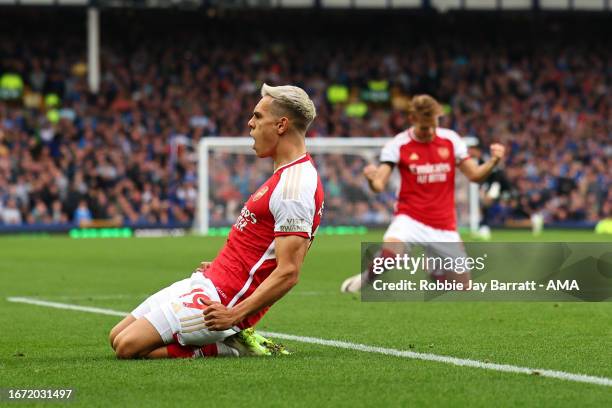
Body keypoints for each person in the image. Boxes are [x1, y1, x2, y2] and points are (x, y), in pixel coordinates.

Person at [109, 84, 324, 358]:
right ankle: (231, 336)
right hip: (213, 279)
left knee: (128, 348)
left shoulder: (295, 187)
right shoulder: (284, 176)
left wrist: (234, 315)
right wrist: (223, 263)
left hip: (225, 299)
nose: (250, 123)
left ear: (281, 125)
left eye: (258, 116)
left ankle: (227, 343)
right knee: (116, 336)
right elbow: (258, 244)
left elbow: (289, 271)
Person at [340, 95, 505, 292]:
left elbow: (475, 176)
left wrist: (494, 161)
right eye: (424, 127)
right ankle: (366, 278)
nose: (429, 132)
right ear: (412, 120)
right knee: (390, 256)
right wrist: (371, 178)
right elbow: (379, 185)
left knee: (462, 286)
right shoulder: (398, 145)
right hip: (410, 217)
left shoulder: (451, 140)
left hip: (444, 223)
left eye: (433, 125)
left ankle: (434, 270)